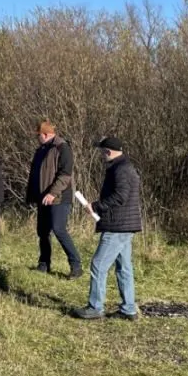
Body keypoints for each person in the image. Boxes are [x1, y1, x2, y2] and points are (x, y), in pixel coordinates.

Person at [77, 136, 143, 319]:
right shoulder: (125, 167)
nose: (100, 155)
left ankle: (95, 307)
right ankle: (128, 309)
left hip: (117, 226)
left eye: (101, 151)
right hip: (125, 225)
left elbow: (120, 196)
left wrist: (96, 206)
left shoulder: (120, 169)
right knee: (124, 267)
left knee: (98, 264)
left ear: (107, 151)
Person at [26, 121, 82, 277]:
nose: (37, 138)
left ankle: (76, 265)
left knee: (59, 229)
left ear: (45, 134)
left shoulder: (62, 148)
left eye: (38, 135)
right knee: (42, 231)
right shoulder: (41, 150)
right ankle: (44, 264)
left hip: (60, 197)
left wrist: (52, 193)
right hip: (43, 198)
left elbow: (65, 175)